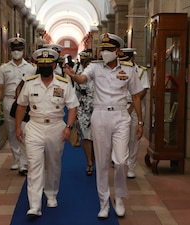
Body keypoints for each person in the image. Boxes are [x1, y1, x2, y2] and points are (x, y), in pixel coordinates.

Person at [64, 33, 144, 219]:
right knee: (101, 161)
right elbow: (83, 79)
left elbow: (136, 96)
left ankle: (120, 198)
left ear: (117, 51)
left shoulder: (129, 70)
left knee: (121, 161)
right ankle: (103, 203)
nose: (105, 53)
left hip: (121, 116)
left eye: (109, 50)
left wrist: (140, 121)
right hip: (100, 115)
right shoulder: (95, 67)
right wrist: (74, 76)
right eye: (103, 49)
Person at [15, 48, 79, 217]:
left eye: (47, 64)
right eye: (41, 64)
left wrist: (69, 127)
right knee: (34, 165)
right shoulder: (29, 83)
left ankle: (51, 194)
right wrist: (17, 127)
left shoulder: (63, 84)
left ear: (53, 65)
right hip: (34, 126)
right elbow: (21, 106)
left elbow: (73, 107)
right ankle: (34, 205)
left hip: (56, 127)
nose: (44, 66)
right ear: (37, 65)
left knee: (53, 163)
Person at [0, 36, 36, 176]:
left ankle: (24, 161)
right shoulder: (4, 68)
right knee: (11, 131)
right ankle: (17, 159)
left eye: (19, 49)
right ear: (11, 51)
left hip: (24, 103)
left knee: (23, 131)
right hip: (9, 101)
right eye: (14, 50)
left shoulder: (31, 68)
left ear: (23, 50)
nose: (16, 52)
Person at [120, 48, 150, 179]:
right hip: (120, 106)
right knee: (121, 136)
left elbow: (142, 91)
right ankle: (122, 161)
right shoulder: (117, 71)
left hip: (135, 107)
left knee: (134, 137)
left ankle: (131, 165)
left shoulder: (141, 71)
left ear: (132, 58)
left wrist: (132, 106)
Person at [73, 54, 94, 176]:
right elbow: (76, 94)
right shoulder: (80, 78)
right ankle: (89, 162)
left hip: (98, 110)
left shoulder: (101, 79)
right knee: (86, 137)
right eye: (87, 66)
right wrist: (75, 112)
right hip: (83, 110)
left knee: (96, 138)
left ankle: (94, 158)